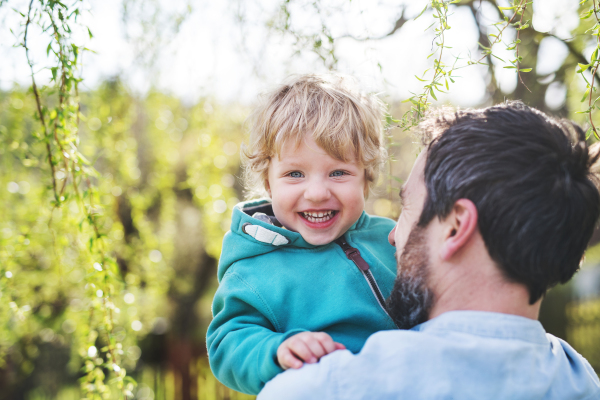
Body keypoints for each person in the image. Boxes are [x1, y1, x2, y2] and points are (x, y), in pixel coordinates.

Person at [258, 101, 600, 399]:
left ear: (455, 227)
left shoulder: (320, 389)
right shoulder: (583, 382)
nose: (392, 236)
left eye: (407, 208)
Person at [206, 74, 398, 395]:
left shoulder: (391, 239)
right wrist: (276, 349)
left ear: (366, 177)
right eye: (295, 174)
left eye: (338, 172)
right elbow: (228, 343)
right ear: (269, 183)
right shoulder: (253, 267)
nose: (318, 192)